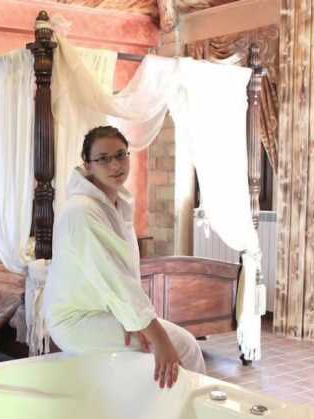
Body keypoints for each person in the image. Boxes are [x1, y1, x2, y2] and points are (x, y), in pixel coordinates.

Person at [42, 125, 206, 389]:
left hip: (106, 310)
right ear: (88, 165)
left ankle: (161, 408)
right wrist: (156, 336)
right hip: (76, 320)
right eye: (103, 159)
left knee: (165, 343)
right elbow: (115, 277)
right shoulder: (81, 211)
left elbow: (123, 273)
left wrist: (131, 318)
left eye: (120, 155)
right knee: (183, 346)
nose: (115, 165)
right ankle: (188, 411)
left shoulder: (116, 205)